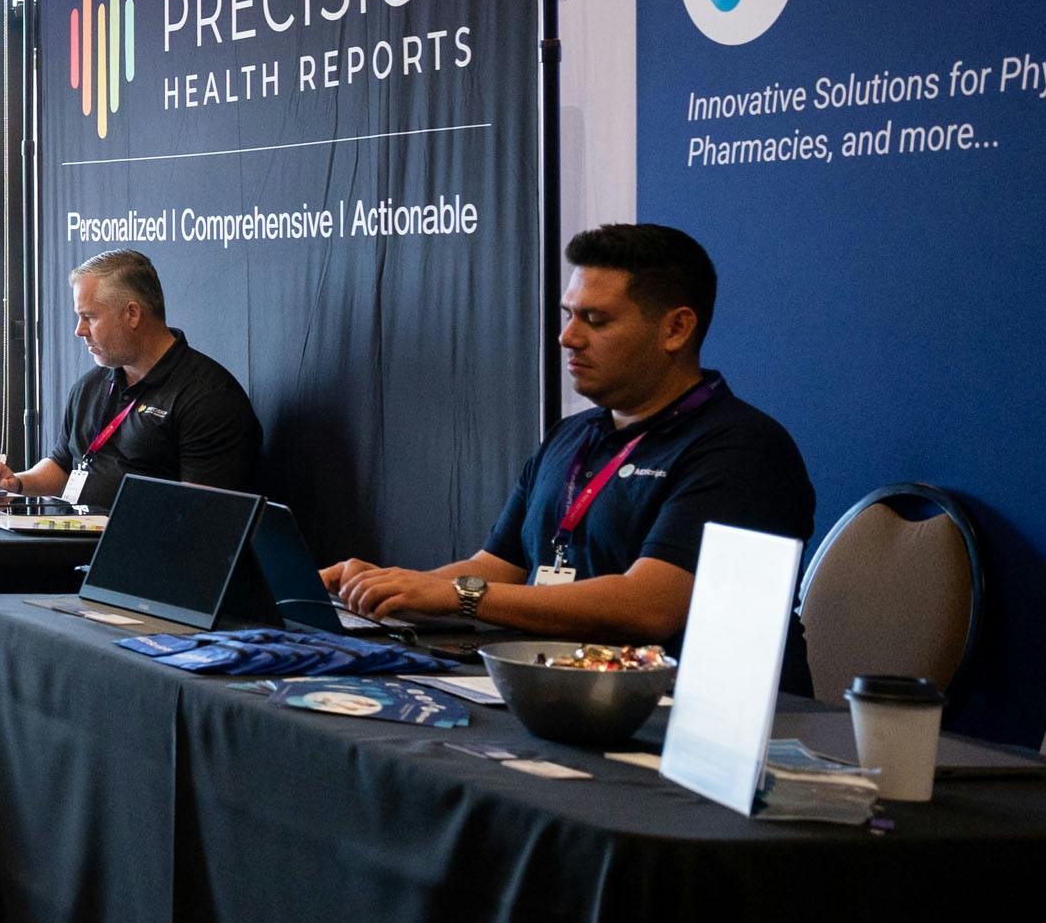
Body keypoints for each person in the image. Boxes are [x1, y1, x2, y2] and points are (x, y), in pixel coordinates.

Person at [326, 223, 814, 643]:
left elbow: (647, 607)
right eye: (569, 315)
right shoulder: (573, 435)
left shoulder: (742, 450)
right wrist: (382, 590)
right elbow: (499, 566)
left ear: (676, 330)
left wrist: (457, 596)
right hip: (564, 692)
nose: (568, 337)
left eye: (595, 320)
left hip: (697, 722)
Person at [0, 249, 261, 509]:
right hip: (72, 548)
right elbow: (64, 465)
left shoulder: (208, 397)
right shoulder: (90, 386)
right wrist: (16, 483)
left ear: (132, 314)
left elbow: (203, 517)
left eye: (89, 317)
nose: (79, 330)